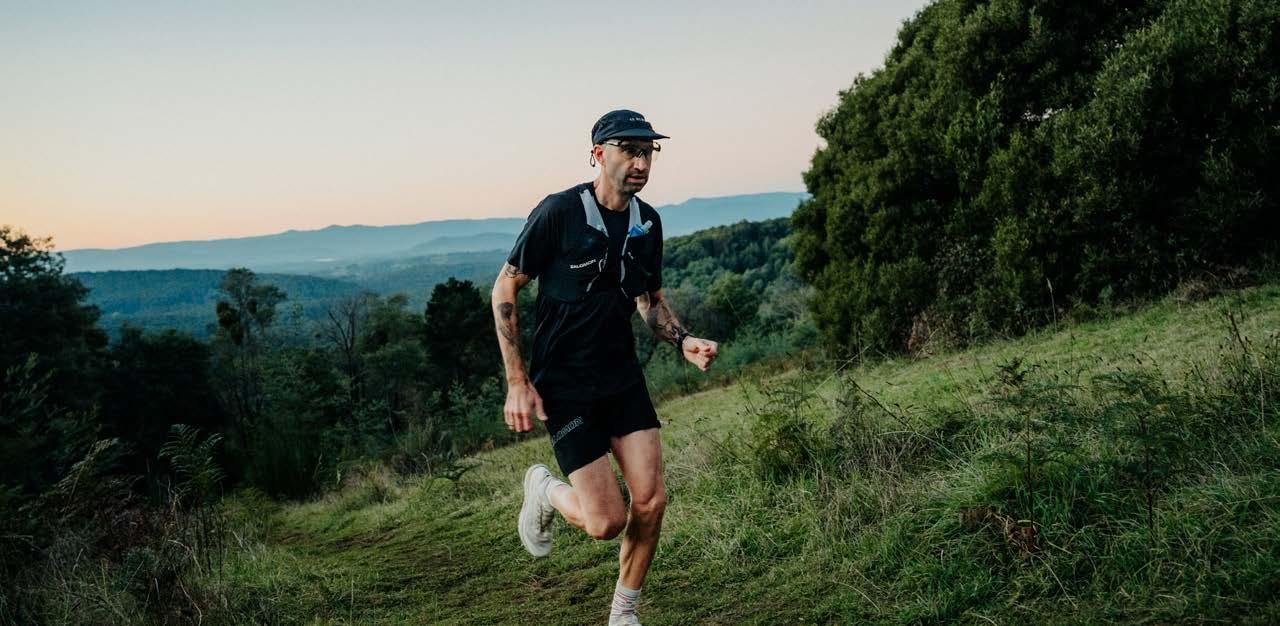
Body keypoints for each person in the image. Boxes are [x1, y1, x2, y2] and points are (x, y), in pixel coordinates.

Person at [490, 109, 719, 626]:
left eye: (648, 152)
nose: (641, 163)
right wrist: (517, 381)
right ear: (598, 154)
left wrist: (683, 340)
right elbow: (505, 287)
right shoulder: (560, 212)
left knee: (651, 501)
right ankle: (545, 489)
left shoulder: (648, 222)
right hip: (564, 384)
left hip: (621, 377)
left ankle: (623, 614)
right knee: (606, 522)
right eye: (629, 151)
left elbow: (650, 302)